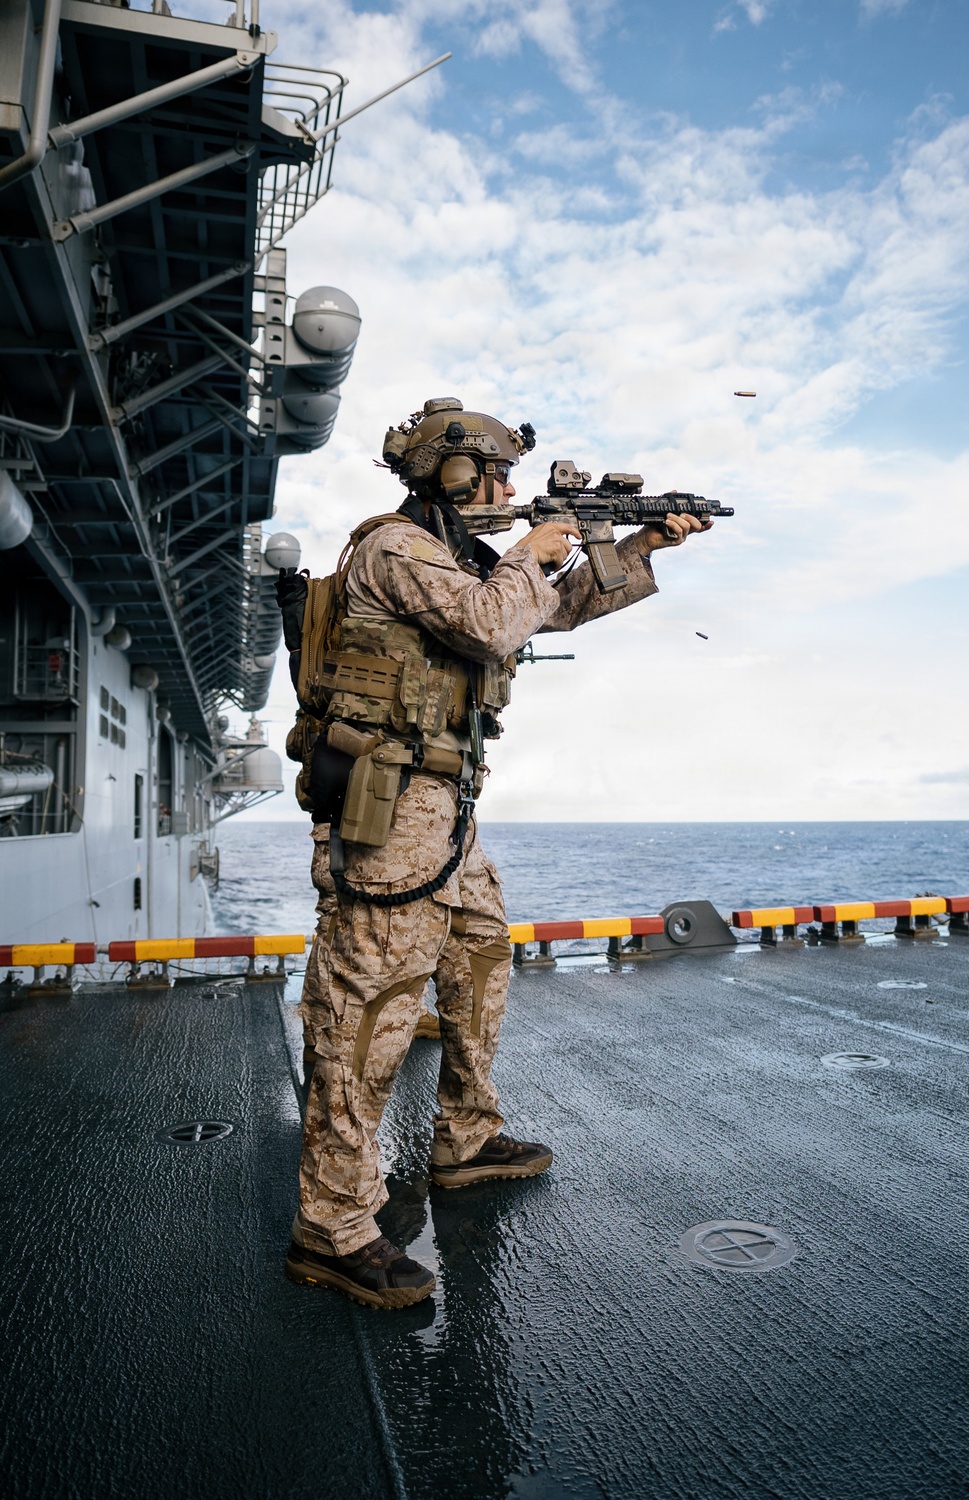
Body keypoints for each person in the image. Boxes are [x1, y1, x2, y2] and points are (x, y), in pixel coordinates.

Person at [284, 397, 710, 1309]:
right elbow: (488, 621)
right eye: (498, 476)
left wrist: (636, 551)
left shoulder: (461, 557)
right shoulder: (396, 549)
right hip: (389, 804)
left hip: (445, 804)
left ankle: (465, 1137)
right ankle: (333, 1224)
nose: (510, 492)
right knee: (370, 1008)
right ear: (450, 474)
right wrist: (534, 545)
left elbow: (540, 615)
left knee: (480, 953)